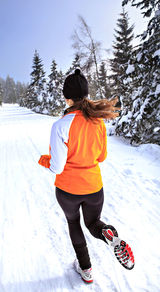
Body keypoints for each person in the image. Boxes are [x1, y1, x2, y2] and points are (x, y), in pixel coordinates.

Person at [38, 69, 135, 283]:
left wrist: (45, 159)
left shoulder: (60, 125)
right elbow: (101, 157)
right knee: (93, 223)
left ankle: (86, 269)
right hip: (93, 188)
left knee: (74, 224)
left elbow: (57, 167)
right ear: (86, 95)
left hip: (67, 191)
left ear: (67, 97)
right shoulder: (97, 122)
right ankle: (108, 233)